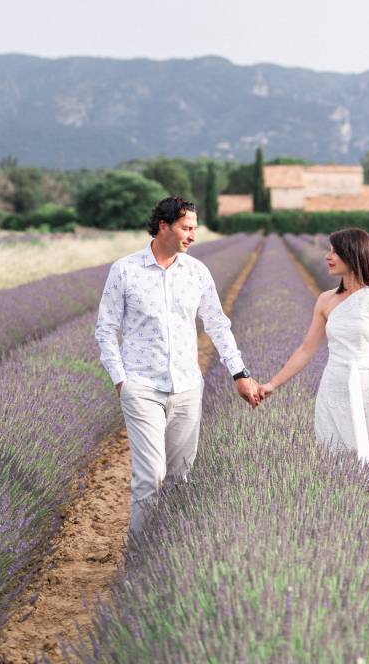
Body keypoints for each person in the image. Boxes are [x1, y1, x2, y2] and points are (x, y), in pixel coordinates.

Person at [95, 195, 262, 533]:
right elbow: (105, 329)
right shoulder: (125, 271)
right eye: (186, 228)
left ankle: (167, 549)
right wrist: (121, 381)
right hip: (142, 387)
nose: (193, 236)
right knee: (150, 476)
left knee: (180, 478)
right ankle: (139, 554)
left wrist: (239, 373)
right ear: (164, 226)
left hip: (186, 387)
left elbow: (217, 325)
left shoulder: (196, 272)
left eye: (194, 228)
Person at [261, 227, 369, 500]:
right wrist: (272, 384)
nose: (327, 257)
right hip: (334, 388)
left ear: (353, 254)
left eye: (334, 252)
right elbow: (306, 349)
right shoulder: (325, 300)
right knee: (338, 459)